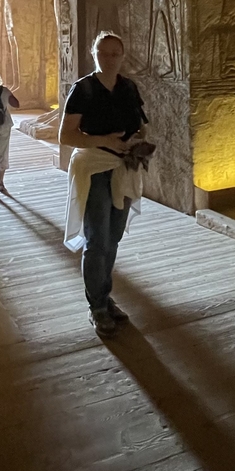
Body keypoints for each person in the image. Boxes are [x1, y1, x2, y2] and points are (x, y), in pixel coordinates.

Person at [59, 32, 153, 337]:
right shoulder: (83, 89)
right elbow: (67, 135)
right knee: (97, 238)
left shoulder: (128, 87)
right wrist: (103, 141)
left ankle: (104, 295)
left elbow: (140, 124)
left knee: (112, 237)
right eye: (104, 52)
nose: (110, 57)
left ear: (122, 56)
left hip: (122, 167)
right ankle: (97, 305)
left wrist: (137, 143)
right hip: (94, 166)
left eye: (115, 53)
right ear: (93, 53)